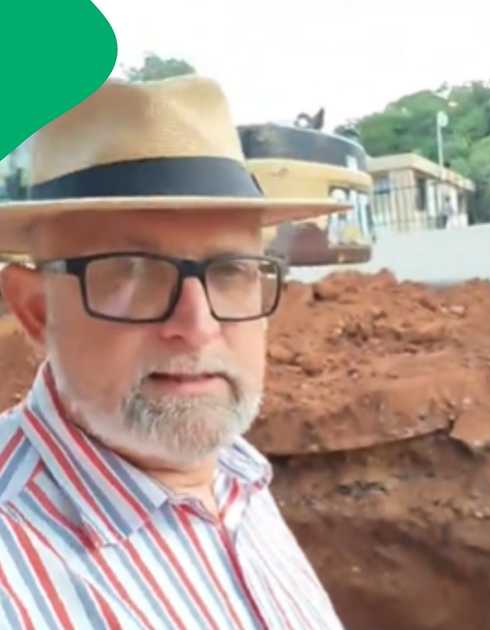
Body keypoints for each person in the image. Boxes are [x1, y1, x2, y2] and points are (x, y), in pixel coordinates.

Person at [0, 75, 347, 628]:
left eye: (231, 270)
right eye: (134, 273)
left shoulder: (236, 473)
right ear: (36, 311)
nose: (197, 324)